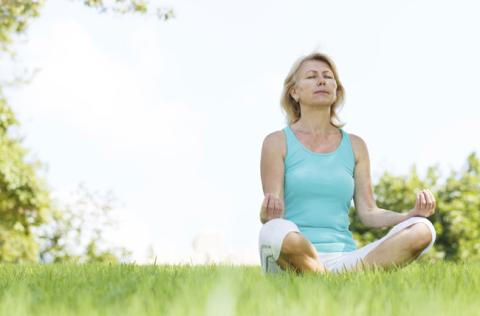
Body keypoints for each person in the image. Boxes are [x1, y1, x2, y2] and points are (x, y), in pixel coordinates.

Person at [258, 52, 436, 274]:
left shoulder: (355, 145)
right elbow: (272, 214)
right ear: (294, 92)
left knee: (423, 229)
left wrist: (410, 215)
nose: (321, 80)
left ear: (336, 90)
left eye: (327, 76)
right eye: (312, 76)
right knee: (274, 230)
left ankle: (324, 278)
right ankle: (326, 276)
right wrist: (267, 213)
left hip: (344, 260)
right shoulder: (276, 142)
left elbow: (369, 212)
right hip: (291, 255)